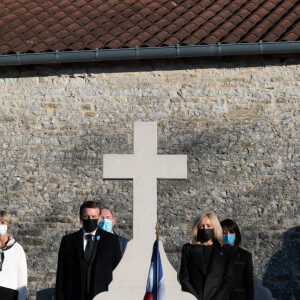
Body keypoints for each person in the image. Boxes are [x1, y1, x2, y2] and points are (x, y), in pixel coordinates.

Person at [56, 201, 121, 300]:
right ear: (80, 217)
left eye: (93, 216)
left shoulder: (111, 241)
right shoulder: (68, 241)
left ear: (99, 218)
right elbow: (61, 275)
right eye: (86, 217)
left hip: (103, 296)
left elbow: (117, 271)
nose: (90, 220)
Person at [179, 212, 234, 300]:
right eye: (202, 226)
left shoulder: (226, 249)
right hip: (195, 297)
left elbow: (228, 280)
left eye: (208, 226)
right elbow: (184, 278)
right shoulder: (188, 249)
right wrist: (195, 298)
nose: (205, 228)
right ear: (197, 228)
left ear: (214, 227)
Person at [221, 219, 254, 300]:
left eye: (231, 232)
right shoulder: (215, 253)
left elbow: (249, 283)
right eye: (224, 232)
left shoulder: (245, 256)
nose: (227, 235)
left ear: (236, 234)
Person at [0, 210, 27, 300]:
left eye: (2, 222)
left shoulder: (17, 249)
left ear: (8, 224)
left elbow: (22, 280)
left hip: (9, 294)